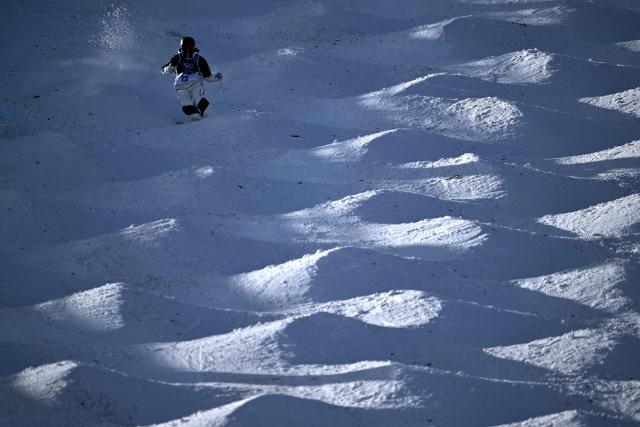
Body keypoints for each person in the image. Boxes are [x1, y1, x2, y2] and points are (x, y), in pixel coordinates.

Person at [161, 36, 222, 119]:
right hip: (181, 87)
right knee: (186, 105)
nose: (186, 49)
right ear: (181, 47)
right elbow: (165, 71)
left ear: (193, 47)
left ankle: (210, 117)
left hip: (195, 84)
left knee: (198, 99)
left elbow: (207, 76)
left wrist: (215, 77)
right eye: (184, 47)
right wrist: (171, 66)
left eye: (189, 47)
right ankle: (196, 119)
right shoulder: (177, 58)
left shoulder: (199, 60)